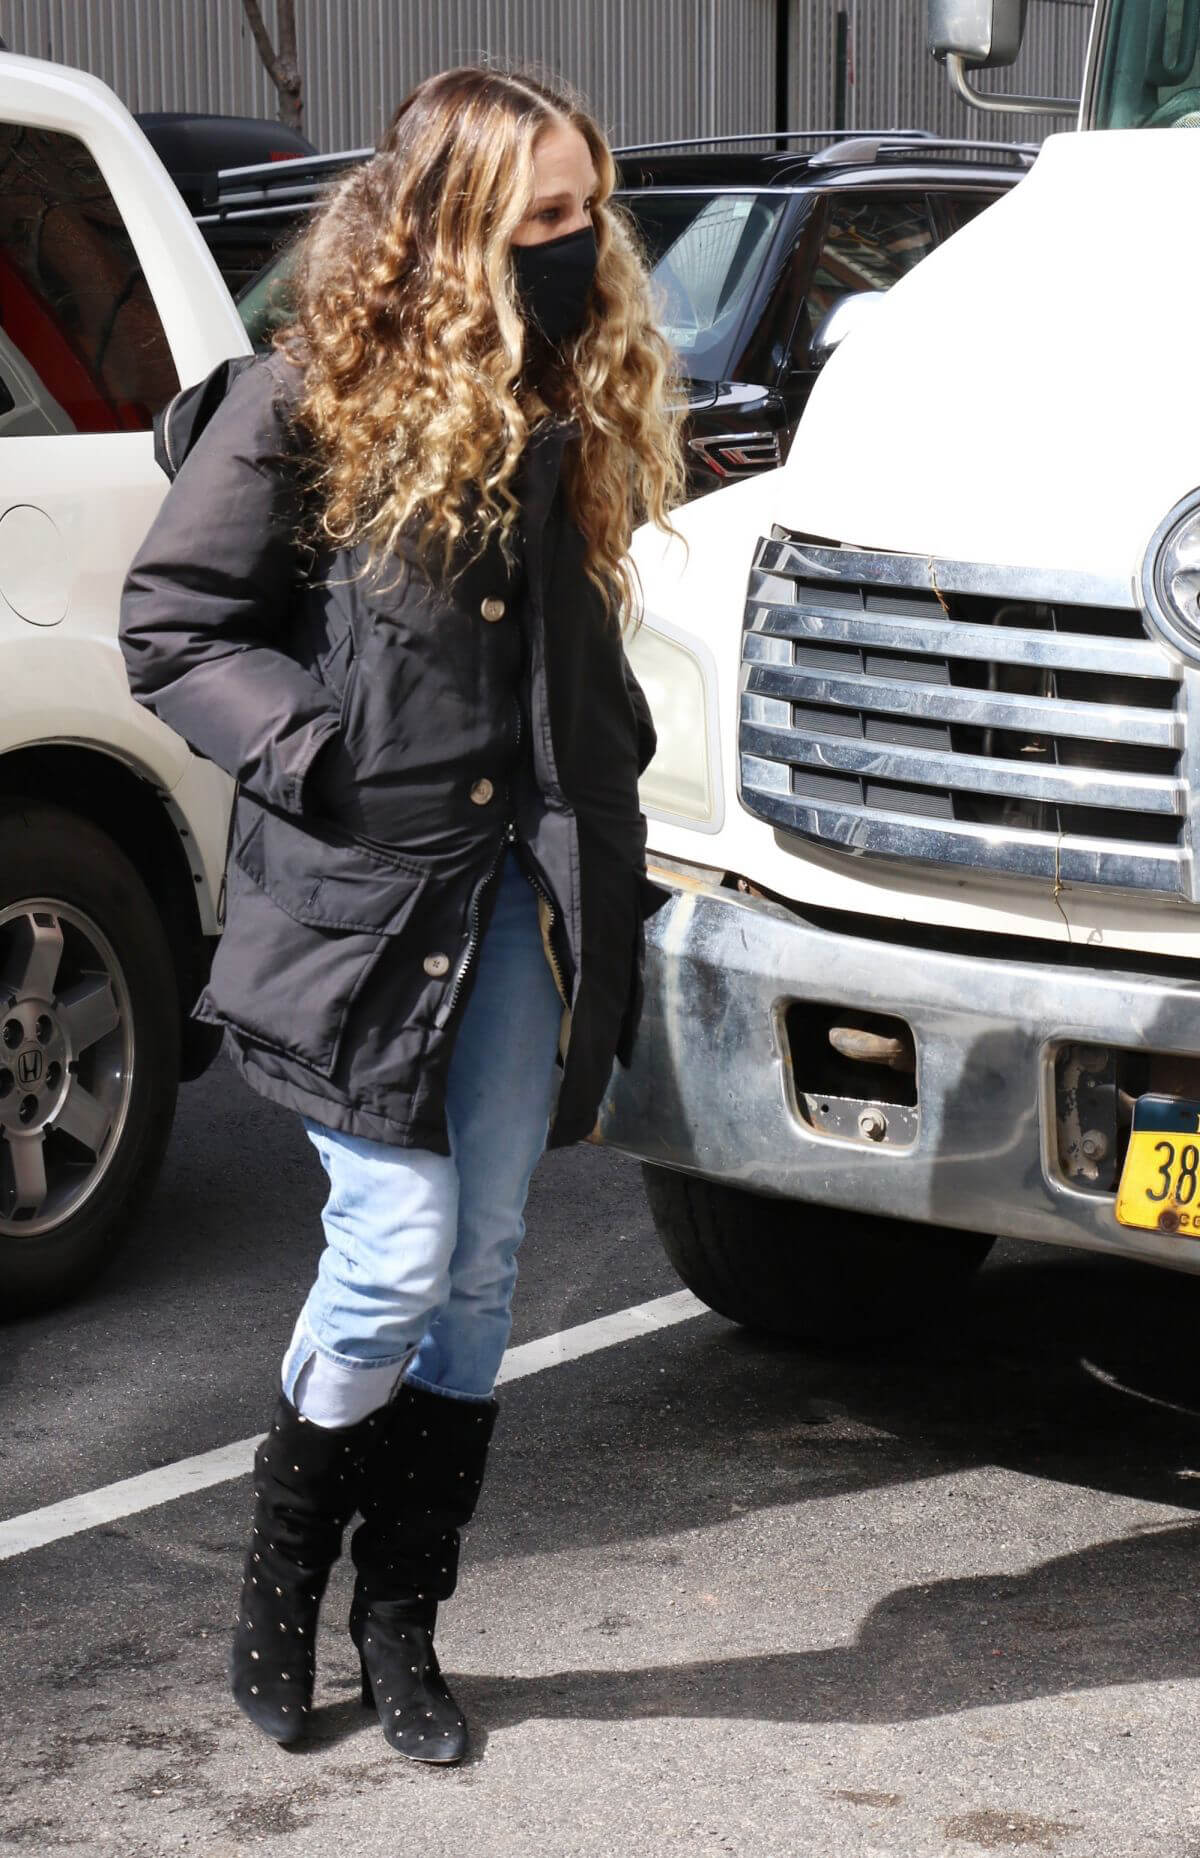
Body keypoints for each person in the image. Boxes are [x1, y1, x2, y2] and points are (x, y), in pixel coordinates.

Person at [118, 65, 683, 1764]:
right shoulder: (304, 402)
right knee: (394, 1258)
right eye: (536, 225)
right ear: (445, 234)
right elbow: (178, 622)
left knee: (487, 1265)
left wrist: (616, 798)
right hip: (366, 902)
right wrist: (319, 757)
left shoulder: (584, 398)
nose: (575, 251)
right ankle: (283, 1590)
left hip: (531, 899)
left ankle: (404, 1615)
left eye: (585, 214)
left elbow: (585, 667)